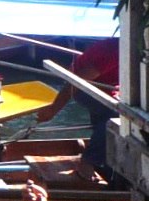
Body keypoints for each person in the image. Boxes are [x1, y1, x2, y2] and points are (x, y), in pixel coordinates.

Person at [36, 37, 119, 183]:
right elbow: (75, 83)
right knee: (116, 117)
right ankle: (88, 161)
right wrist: (53, 110)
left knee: (104, 122)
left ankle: (106, 165)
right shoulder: (112, 52)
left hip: (108, 86)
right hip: (85, 89)